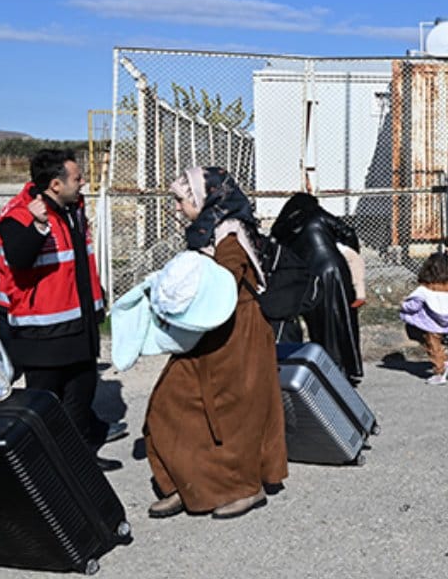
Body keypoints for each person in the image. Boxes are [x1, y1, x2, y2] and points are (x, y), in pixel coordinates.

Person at [146, 166, 288, 520]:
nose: (177, 208)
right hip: (206, 329)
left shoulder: (228, 232)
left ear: (203, 197)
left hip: (238, 331)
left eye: (181, 200)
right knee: (170, 403)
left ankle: (245, 488)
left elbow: (225, 282)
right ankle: (184, 480)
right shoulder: (206, 231)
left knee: (234, 414)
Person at [0, 148, 124, 471]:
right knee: (45, 403)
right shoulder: (20, 214)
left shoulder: (72, 208)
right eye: (77, 178)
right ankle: (40, 470)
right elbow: (20, 260)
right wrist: (37, 226)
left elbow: (77, 262)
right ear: (54, 184)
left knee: (80, 395)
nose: (83, 183)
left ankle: (81, 462)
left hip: (79, 326)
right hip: (43, 333)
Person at [271, 193, 364, 384]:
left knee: (318, 323)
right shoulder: (317, 215)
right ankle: (347, 367)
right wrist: (346, 251)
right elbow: (348, 233)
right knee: (341, 319)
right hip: (334, 272)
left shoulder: (283, 228)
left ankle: (324, 366)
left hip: (307, 278)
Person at [401, 254, 448, 386]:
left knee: (432, 348)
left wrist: (404, 305)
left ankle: (440, 372)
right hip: (445, 325)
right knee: (437, 345)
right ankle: (445, 361)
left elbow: (413, 306)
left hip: (429, 324)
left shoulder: (424, 290)